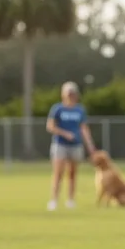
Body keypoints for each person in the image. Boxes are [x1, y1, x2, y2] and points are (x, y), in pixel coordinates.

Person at [46, 81, 96, 210]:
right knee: (58, 173)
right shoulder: (57, 109)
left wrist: (89, 144)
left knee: (73, 173)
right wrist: (65, 134)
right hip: (60, 144)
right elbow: (50, 126)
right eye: (68, 93)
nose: (70, 95)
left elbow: (84, 128)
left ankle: (70, 200)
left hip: (76, 145)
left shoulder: (80, 110)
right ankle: (54, 200)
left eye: (72, 93)